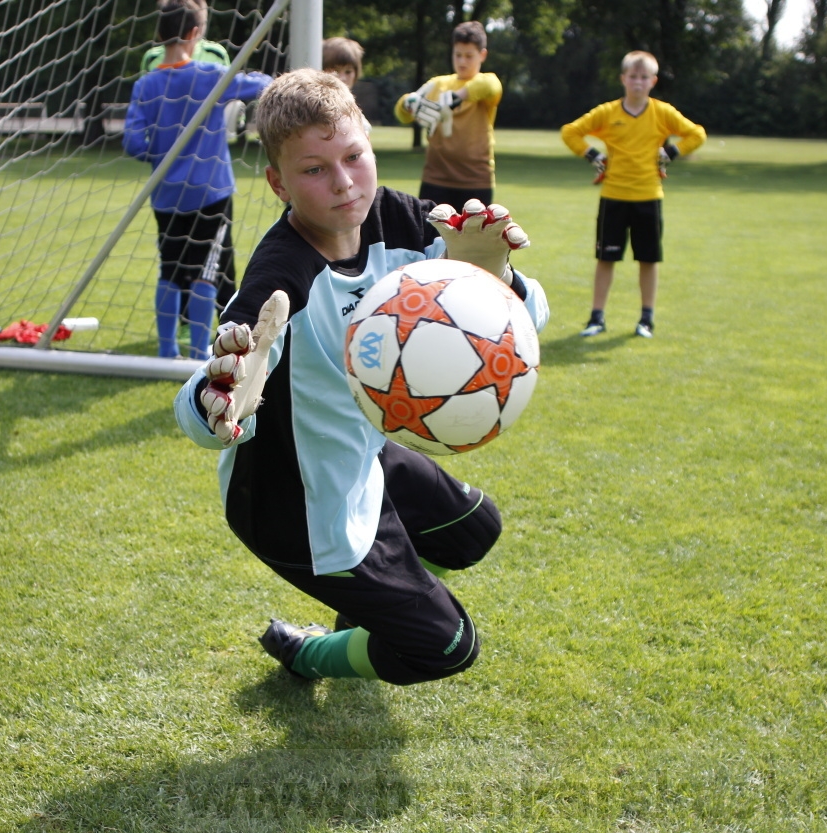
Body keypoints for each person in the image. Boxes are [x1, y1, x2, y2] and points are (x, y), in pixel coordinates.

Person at [172, 69, 549, 685]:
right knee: (447, 647)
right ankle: (307, 652)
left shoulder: (409, 223)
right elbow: (203, 407)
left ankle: (377, 608)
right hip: (294, 499)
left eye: (353, 156)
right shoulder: (278, 278)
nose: (344, 182)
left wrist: (499, 281)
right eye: (315, 170)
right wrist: (217, 396)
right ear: (278, 183)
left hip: (362, 452)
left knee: (472, 532)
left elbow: (529, 325)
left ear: (371, 145)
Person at [123, 0, 271, 359]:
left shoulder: (146, 84)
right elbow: (260, 86)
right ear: (195, 34)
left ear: (159, 35)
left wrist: (160, 156)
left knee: (170, 270)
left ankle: (165, 349)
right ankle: (198, 353)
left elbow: (131, 142)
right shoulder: (209, 75)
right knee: (206, 271)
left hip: (166, 195)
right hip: (211, 191)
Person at [560, 50, 706, 339]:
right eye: (632, 77)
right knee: (606, 258)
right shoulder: (608, 112)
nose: (637, 82)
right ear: (623, 79)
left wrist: (671, 152)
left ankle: (646, 319)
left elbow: (697, 134)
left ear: (653, 81)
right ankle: (596, 317)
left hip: (649, 197)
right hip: (613, 196)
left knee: (648, 260)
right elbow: (570, 132)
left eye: (643, 77)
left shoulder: (662, 112)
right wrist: (592, 154)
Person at [393, 20, 502, 208]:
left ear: (482, 55)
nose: (462, 61)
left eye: (469, 56)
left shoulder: (485, 83)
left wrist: (457, 97)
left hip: (476, 181)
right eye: (458, 54)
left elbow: (491, 86)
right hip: (435, 180)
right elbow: (403, 115)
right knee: (430, 237)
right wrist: (406, 104)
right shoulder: (438, 84)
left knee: (472, 237)